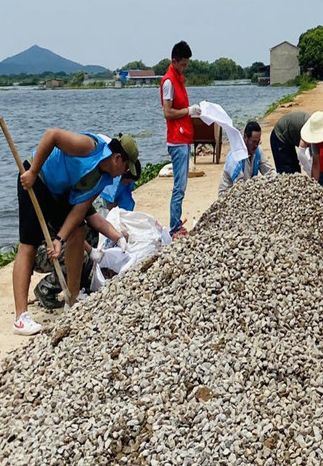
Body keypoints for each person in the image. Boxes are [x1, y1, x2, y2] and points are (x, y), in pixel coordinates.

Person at [13, 129, 141, 334]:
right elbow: (52, 135)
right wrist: (33, 172)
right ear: (117, 158)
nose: (124, 174)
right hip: (38, 178)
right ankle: (21, 318)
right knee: (29, 244)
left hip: (60, 192)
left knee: (79, 230)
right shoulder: (89, 146)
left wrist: (59, 239)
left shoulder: (103, 180)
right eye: (126, 168)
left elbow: (79, 211)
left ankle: (71, 300)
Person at [160, 40, 199, 237]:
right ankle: (174, 226)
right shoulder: (169, 82)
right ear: (174, 61)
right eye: (183, 64)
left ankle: (176, 223)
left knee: (181, 184)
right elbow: (167, 112)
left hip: (183, 138)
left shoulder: (178, 79)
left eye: (186, 64)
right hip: (177, 140)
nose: (185, 68)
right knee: (179, 186)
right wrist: (188, 111)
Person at [218, 121, 274, 197]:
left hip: (247, 190)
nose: (256, 145)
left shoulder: (257, 151)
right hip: (228, 194)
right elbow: (239, 186)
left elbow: (269, 171)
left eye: (258, 142)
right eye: (253, 142)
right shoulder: (235, 156)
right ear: (245, 137)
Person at [268, 110, 312, 175]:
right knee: (286, 171)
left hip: (290, 137)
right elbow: (301, 154)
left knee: (295, 168)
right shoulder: (309, 130)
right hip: (279, 136)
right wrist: (310, 173)